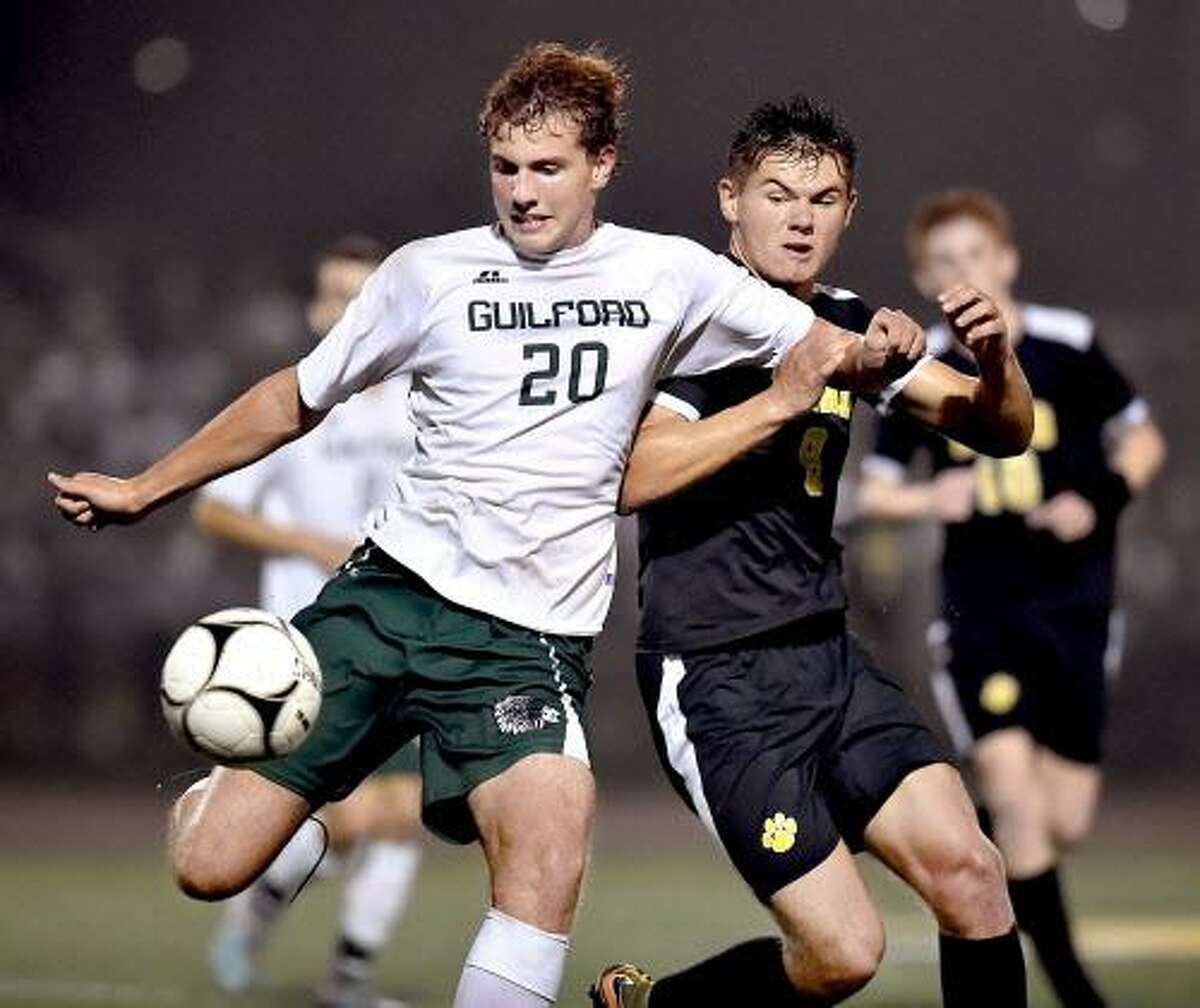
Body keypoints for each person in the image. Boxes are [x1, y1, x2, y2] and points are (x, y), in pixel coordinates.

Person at [48, 44, 910, 1008]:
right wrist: (144, 487)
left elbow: (847, 350)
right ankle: (235, 795)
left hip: (525, 644)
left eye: (547, 168)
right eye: (505, 167)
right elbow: (295, 398)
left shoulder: (670, 275)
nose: (524, 192)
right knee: (208, 868)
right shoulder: (428, 275)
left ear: (603, 164)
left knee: (549, 848)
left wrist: (911, 353)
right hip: (388, 603)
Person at [591, 97, 1034, 1008]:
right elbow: (630, 475)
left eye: (823, 199)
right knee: (843, 956)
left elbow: (1003, 434)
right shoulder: (687, 324)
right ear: (730, 199)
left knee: (974, 874)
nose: (799, 217)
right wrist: (785, 395)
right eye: (777, 193)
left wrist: (996, 362)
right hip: (716, 677)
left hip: (827, 659)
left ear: (849, 210)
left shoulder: (843, 320)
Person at [859, 189, 1166, 1008]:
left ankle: (982, 865)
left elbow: (1142, 439)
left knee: (1061, 822)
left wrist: (1096, 499)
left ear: (1008, 261)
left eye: (977, 256)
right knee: (1015, 794)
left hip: (1075, 611)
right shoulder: (919, 368)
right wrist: (933, 501)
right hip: (980, 615)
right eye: (946, 261)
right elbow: (877, 491)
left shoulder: (1069, 344)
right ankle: (1071, 987)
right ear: (925, 277)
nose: (965, 272)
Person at [196, 234, 424, 1007]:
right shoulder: (294, 400)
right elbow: (216, 511)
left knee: (400, 816)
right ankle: (256, 905)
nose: (349, 308)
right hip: (303, 640)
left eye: (365, 293)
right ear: (316, 307)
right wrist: (304, 540)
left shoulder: (425, 400)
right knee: (352, 817)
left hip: (402, 635)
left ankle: (347, 978)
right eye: (337, 294)